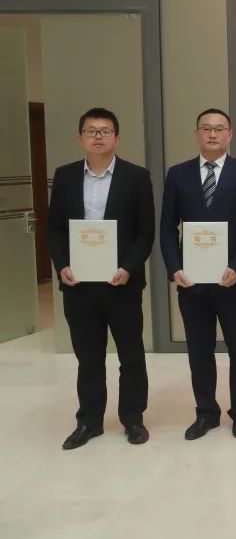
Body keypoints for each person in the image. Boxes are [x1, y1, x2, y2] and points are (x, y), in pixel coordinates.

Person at [47, 107, 154, 449]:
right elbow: (55, 228)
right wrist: (62, 265)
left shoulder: (136, 176)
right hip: (78, 285)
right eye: (91, 131)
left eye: (105, 131)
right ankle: (89, 421)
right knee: (88, 357)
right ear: (80, 137)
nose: (98, 136)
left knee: (131, 355)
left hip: (121, 282)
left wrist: (129, 267)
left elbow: (145, 232)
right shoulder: (65, 176)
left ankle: (133, 418)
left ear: (116, 138)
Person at [160, 108, 236, 440]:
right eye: (206, 128)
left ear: (230, 135)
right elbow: (167, 227)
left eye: (220, 129)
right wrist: (175, 267)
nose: (213, 134)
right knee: (199, 350)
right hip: (192, 281)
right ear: (197, 134)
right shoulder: (178, 174)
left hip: (233, 280)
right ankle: (206, 412)